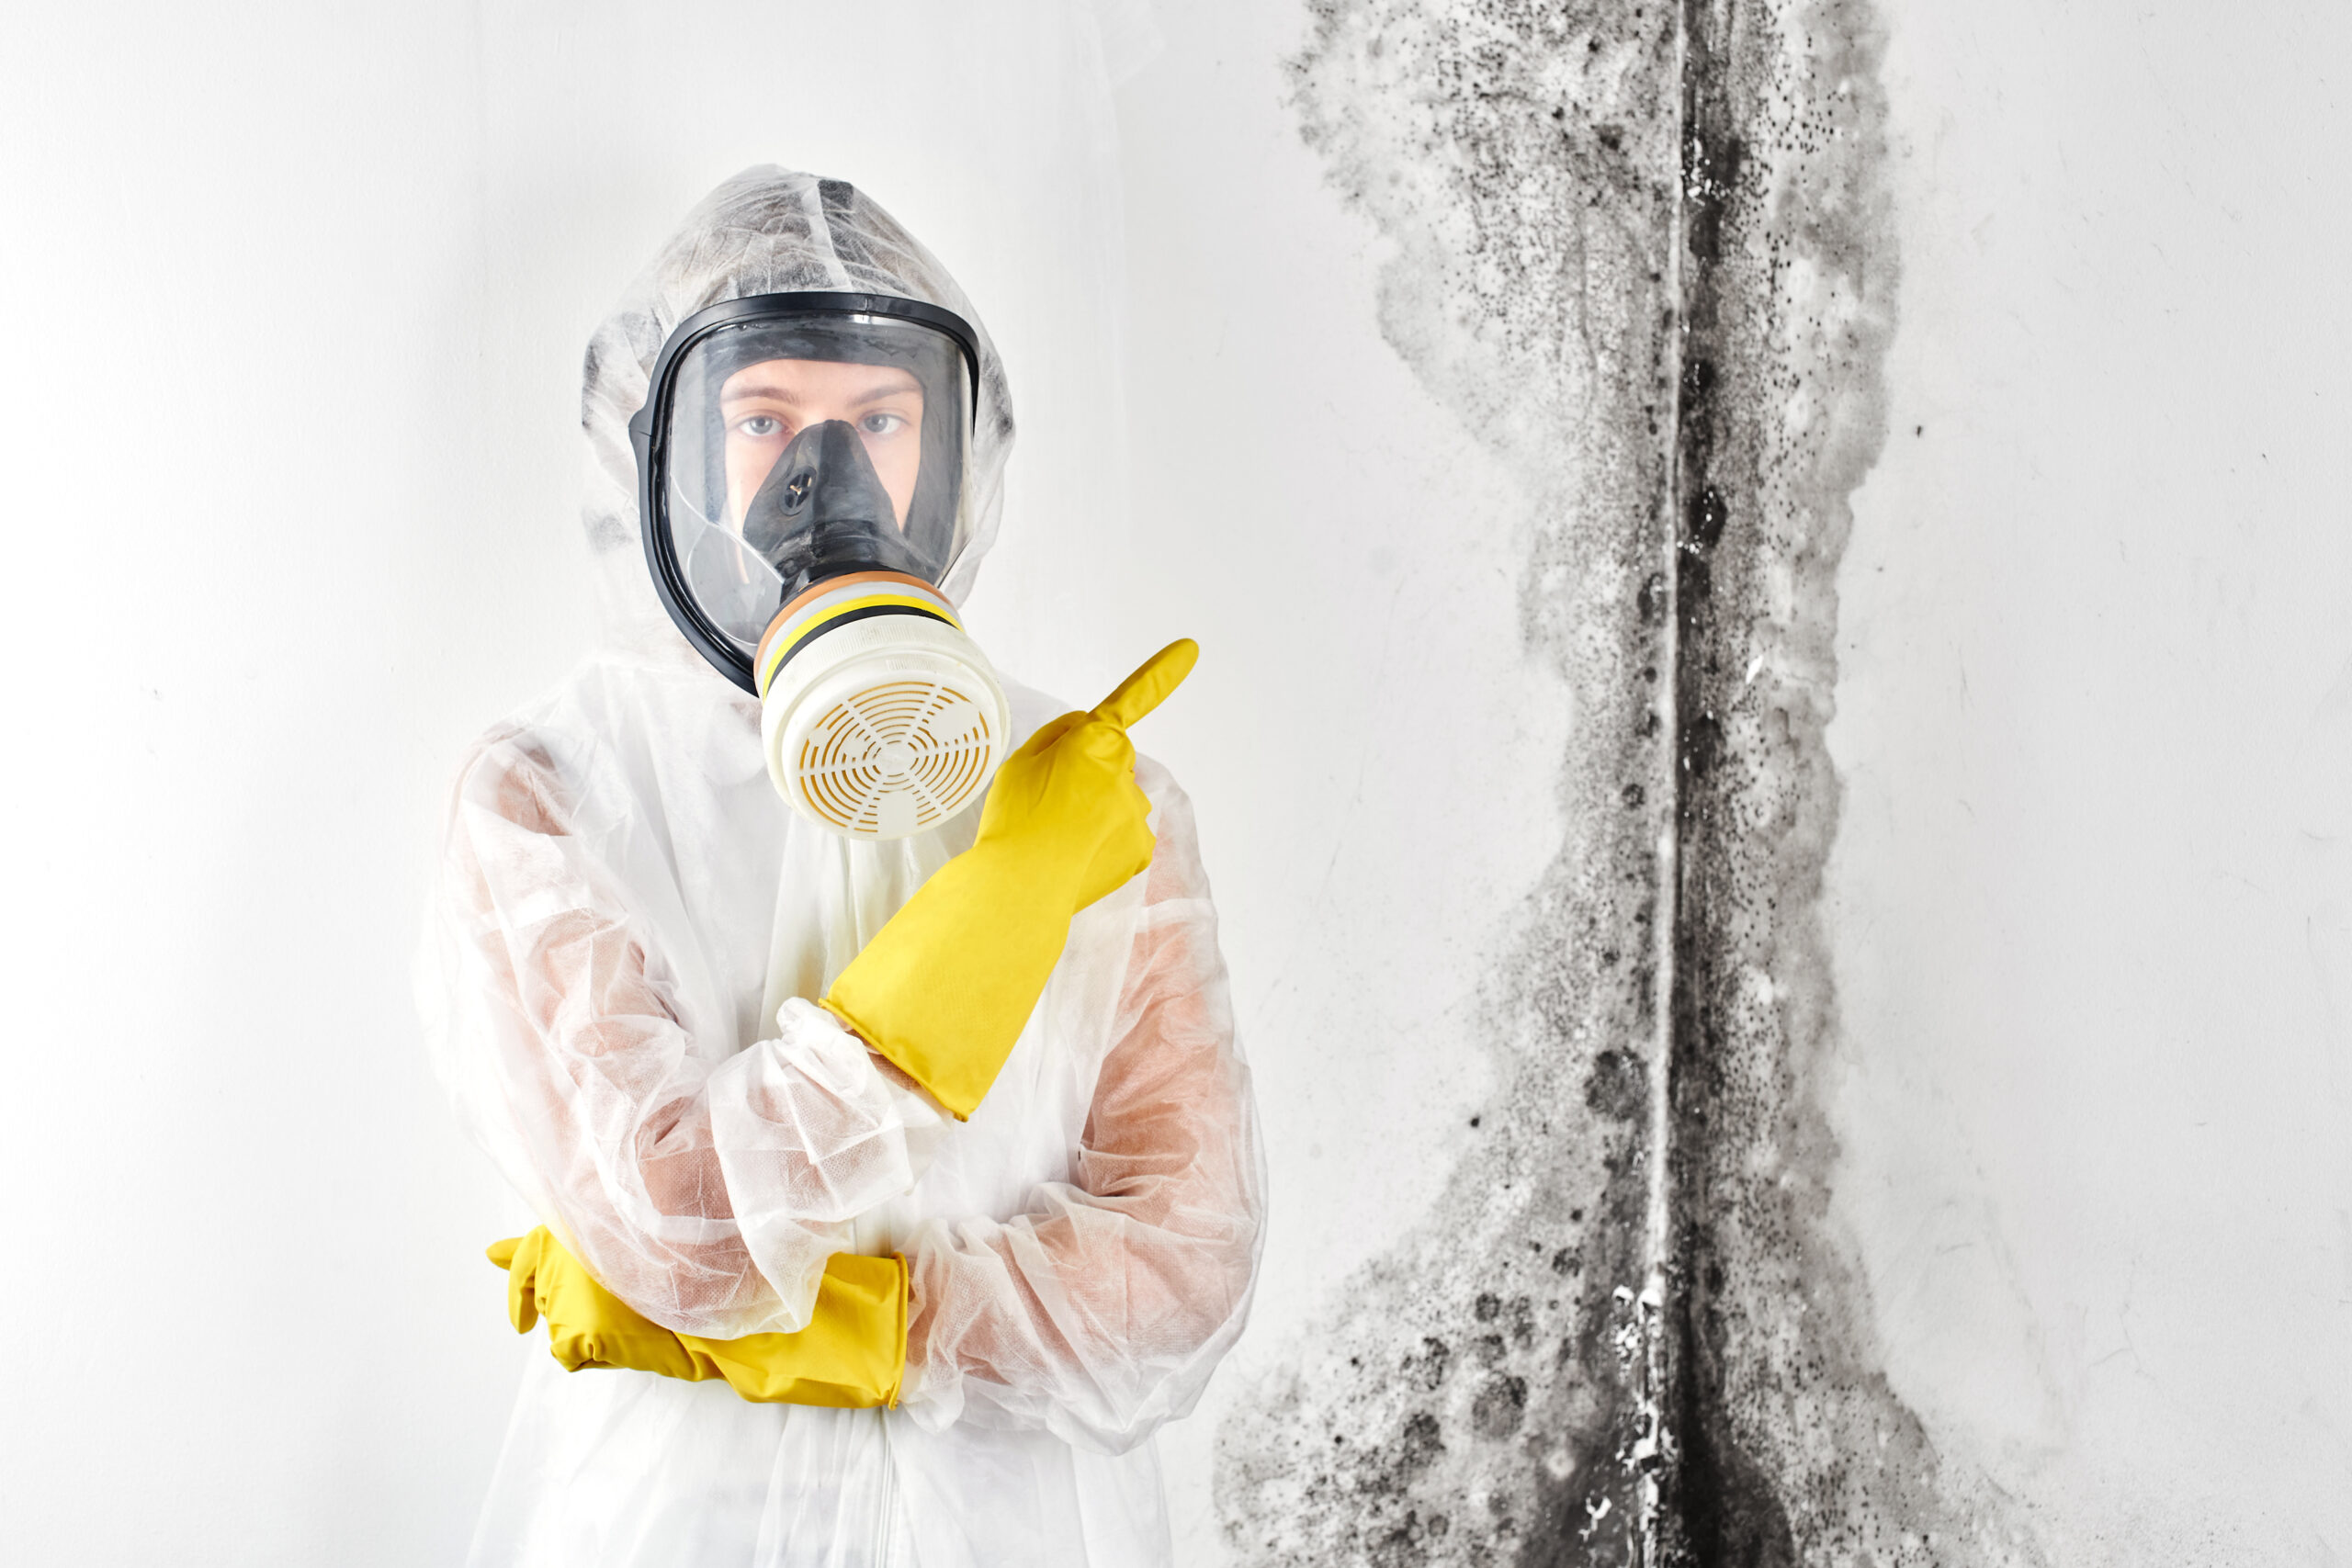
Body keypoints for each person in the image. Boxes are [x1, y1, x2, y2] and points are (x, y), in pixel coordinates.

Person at [419, 165, 1266, 1567]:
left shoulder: (1099, 797)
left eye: (879, 420)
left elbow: (1182, 1270)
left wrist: (869, 1330)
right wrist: (986, 927)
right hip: (680, 1531)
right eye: (765, 422)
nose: (835, 484)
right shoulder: (552, 796)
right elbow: (682, 1230)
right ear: (656, 449)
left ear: (957, 456)